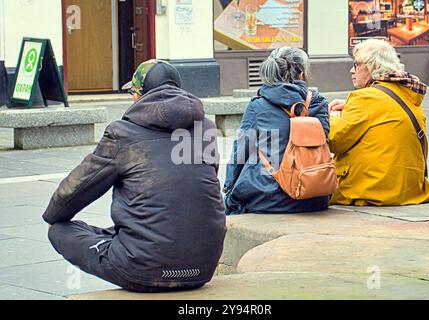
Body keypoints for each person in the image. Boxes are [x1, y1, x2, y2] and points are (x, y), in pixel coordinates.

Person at [43, 60, 227, 293]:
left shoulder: (122, 133)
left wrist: (52, 216)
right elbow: (199, 187)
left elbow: (75, 191)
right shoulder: (206, 129)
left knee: (61, 229)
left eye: (132, 92)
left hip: (143, 272)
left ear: (139, 95)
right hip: (202, 268)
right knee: (128, 229)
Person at [328, 39, 429, 206]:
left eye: (357, 64)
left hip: (371, 189)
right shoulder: (406, 94)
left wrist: (335, 115)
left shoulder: (365, 97)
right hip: (410, 188)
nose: (352, 70)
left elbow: (335, 141)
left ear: (372, 66)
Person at [223, 47, 331, 215]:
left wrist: (229, 188)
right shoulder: (319, 104)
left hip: (267, 198)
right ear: (301, 73)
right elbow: (325, 144)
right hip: (314, 196)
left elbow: (241, 151)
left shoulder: (258, 106)